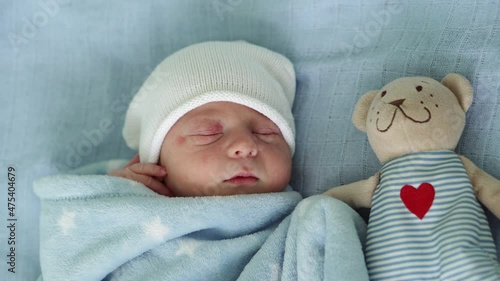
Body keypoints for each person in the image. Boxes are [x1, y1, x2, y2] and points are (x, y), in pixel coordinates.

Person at [108, 40, 296, 198]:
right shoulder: (127, 199)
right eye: (209, 133)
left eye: (266, 133)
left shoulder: (308, 218)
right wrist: (114, 195)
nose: (245, 145)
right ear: (155, 161)